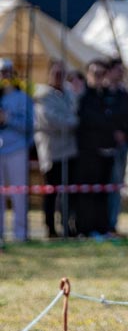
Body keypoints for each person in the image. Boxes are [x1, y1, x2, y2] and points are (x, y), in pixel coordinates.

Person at [74, 60, 122, 238]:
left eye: (102, 73)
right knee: (87, 193)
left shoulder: (108, 95)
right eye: (95, 74)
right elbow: (91, 120)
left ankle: (102, 228)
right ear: (88, 75)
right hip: (88, 152)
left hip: (107, 151)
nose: (99, 77)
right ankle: (85, 229)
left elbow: (116, 118)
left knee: (103, 192)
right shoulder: (84, 96)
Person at [33, 60, 79, 238]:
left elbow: (76, 113)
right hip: (52, 152)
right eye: (56, 74)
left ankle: (68, 224)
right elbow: (51, 120)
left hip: (70, 150)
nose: (59, 77)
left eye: (62, 74)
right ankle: (50, 228)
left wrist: (69, 121)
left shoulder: (69, 94)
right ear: (49, 74)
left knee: (69, 192)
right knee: (51, 192)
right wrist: (71, 122)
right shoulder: (43, 96)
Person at [103, 58, 128, 236]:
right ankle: (105, 224)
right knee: (107, 186)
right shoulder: (101, 93)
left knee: (117, 186)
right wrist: (112, 133)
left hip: (123, 147)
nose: (120, 74)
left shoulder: (124, 93)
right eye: (117, 70)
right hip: (103, 149)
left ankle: (113, 223)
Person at [0, 58, 34, 243]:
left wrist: (8, 119)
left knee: (18, 194)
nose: (4, 76)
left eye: (7, 72)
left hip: (17, 150)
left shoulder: (23, 98)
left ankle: (21, 234)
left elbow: (29, 125)